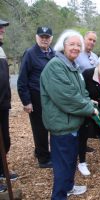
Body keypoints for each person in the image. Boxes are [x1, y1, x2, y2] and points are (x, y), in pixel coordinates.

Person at [40, 29, 98, 199]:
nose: (75, 47)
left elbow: (81, 92)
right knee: (63, 164)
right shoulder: (55, 67)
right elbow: (68, 97)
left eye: (78, 45)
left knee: (71, 160)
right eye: (71, 44)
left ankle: (69, 187)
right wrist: (89, 108)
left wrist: (89, 101)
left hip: (73, 122)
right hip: (61, 124)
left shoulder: (73, 66)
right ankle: (59, 196)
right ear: (63, 46)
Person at [17, 27, 55, 168]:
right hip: (36, 96)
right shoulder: (30, 53)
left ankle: (41, 151)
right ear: (36, 37)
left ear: (51, 38)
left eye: (47, 37)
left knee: (49, 125)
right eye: (42, 36)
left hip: (50, 98)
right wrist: (26, 101)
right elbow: (22, 80)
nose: (44, 39)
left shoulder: (53, 54)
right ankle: (43, 159)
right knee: (39, 128)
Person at [0, 19, 18, 193]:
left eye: (3, 27)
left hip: (3, 105)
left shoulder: (0, 48)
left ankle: (1, 169)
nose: (2, 30)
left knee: (5, 140)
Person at [76, 31, 98, 154]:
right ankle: (77, 146)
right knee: (79, 120)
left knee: (86, 121)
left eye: (94, 41)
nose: (92, 42)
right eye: (90, 39)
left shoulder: (94, 57)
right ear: (84, 39)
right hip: (79, 92)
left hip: (91, 93)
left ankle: (83, 144)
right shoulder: (77, 54)